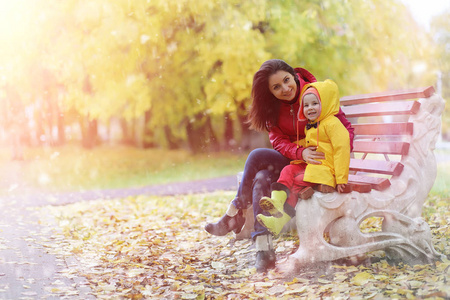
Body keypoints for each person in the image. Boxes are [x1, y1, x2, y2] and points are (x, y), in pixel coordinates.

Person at [204, 59, 354, 272]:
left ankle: (236, 213)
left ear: (293, 75)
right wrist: (300, 152)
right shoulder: (273, 108)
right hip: (295, 159)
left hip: (318, 166)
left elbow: (346, 131)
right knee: (262, 176)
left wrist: (332, 160)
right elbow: (278, 142)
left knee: (257, 161)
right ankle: (263, 250)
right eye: (276, 87)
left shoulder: (316, 94)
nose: (285, 88)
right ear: (270, 93)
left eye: (286, 80)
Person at [256, 79, 351, 236]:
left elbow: (342, 150)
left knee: (295, 182)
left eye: (315, 103)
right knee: (288, 170)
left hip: (324, 170)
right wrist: (298, 149)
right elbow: (309, 142)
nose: (310, 108)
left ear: (326, 103)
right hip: (311, 165)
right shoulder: (313, 124)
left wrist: (341, 179)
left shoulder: (333, 124)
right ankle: (276, 202)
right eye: (306, 105)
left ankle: (279, 220)